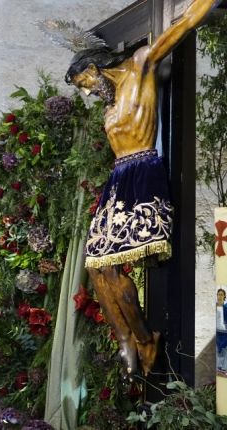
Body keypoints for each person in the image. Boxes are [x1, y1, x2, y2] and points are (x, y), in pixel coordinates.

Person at [63, 0, 219, 376]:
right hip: (118, 181)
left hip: (144, 173)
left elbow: (182, 25)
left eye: (84, 83)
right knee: (97, 267)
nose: (86, 93)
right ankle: (127, 339)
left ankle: (145, 338)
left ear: (94, 68)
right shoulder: (109, 106)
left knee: (112, 269)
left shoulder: (141, 65)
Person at [217, 289, 227, 372]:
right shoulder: (215, 306)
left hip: (224, 333)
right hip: (217, 333)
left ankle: (224, 368)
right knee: (218, 350)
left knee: (224, 350)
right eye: (218, 294)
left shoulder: (226, 307)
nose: (219, 296)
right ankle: (219, 367)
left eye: (221, 294)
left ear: (224, 296)